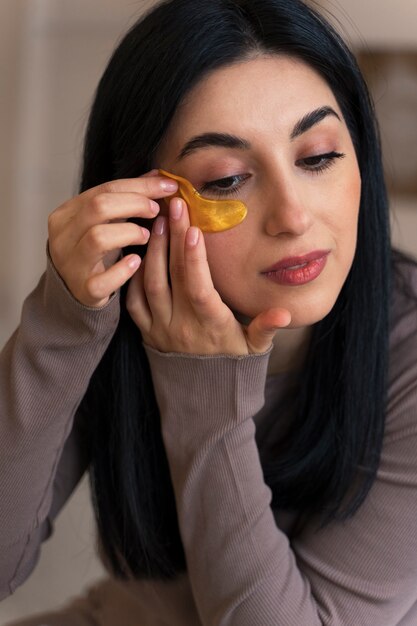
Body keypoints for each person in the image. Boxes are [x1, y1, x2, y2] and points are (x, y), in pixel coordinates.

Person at [1, 0, 417, 624]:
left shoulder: (407, 347)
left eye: (319, 157)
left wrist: (202, 386)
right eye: (225, 179)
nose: (294, 217)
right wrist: (61, 322)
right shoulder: (116, 307)